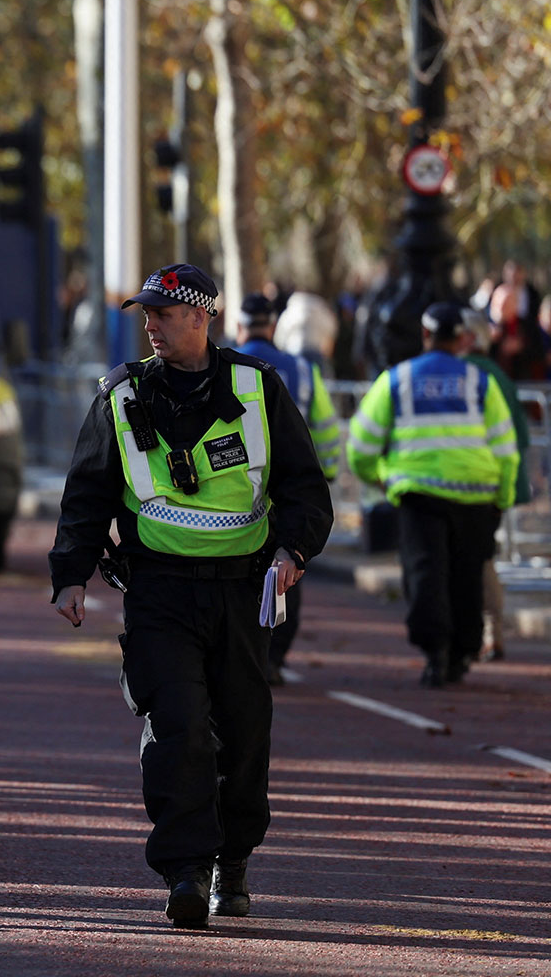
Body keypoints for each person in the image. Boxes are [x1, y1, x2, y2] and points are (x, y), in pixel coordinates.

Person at [51, 264, 332, 930]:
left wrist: (294, 549)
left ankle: (232, 862)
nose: (150, 323)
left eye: (164, 313)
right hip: (159, 594)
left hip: (241, 593)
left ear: (202, 316)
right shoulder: (121, 397)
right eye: (145, 312)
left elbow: (303, 486)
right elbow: (87, 493)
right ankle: (185, 870)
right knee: (176, 729)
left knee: (242, 735)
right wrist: (71, 573)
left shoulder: (257, 389)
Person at [348, 302, 519, 688]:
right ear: (461, 339)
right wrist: (502, 499)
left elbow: (360, 444)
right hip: (477, 498)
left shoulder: (397, 379)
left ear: (425, 336)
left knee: (426, 574)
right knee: (466, 577)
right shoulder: (481, 383)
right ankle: (461, 653)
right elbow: (506, 449)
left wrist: (380, 478)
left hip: (418, 496)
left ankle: (435, 653)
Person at [233, 293, 341, 684]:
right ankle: (274, 656)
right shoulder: (301, 369)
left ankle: (242, 650)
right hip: (292, 489)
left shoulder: (223, 366)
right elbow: (326, 429)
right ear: (272, 326)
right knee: (287, 568)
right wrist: (323, 476)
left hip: (240, 492)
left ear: (240, 326)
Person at [461, 306, 531, 662]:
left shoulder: (473, 375)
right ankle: (493, 633)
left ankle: (483, 633)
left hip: (472, 484)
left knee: (476, 560)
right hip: (494, 483)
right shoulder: (497, 375)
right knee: (484, 557)